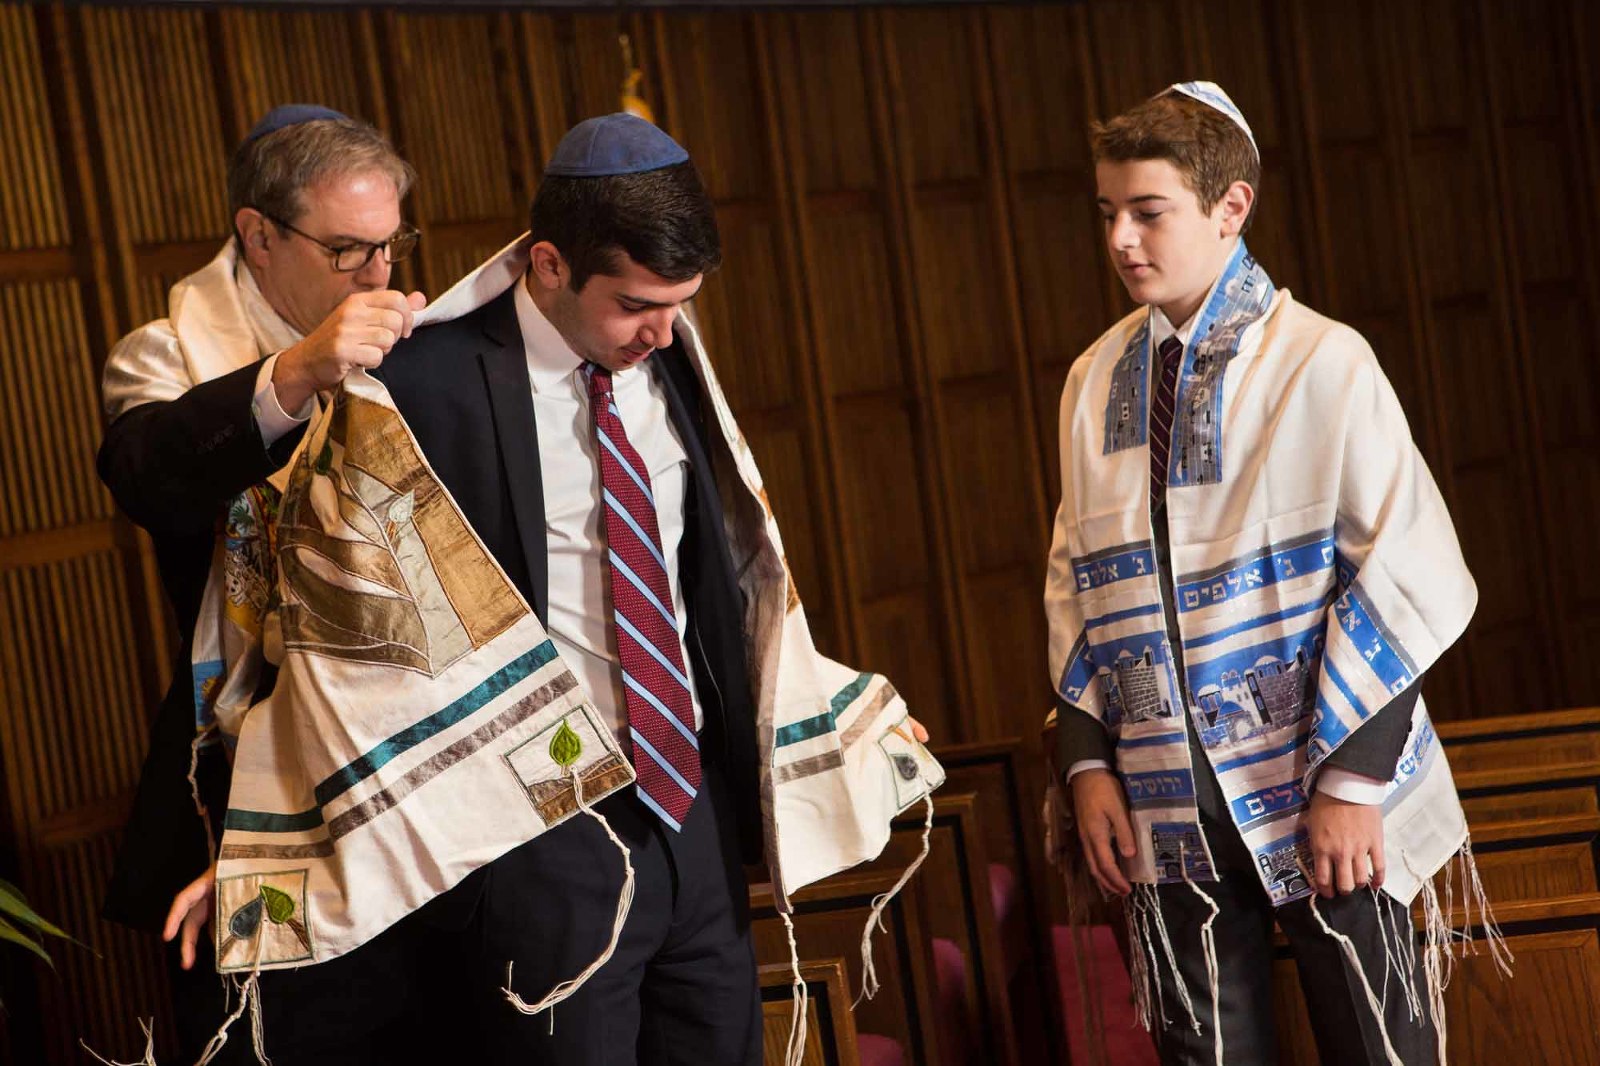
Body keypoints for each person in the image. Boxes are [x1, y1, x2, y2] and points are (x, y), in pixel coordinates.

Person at [159, 112, 937, 1066]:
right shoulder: (421, 383)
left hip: (691, 810)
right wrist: (264, 831)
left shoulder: (667, 357)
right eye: (637, 304)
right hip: (538, 832)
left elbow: (724, 583)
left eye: (681, 302)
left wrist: (833, 700)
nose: (663, 329)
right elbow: (336, 631)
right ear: (548, 264)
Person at [1043, 82, 1501, 1065]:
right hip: (1162, 790)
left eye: (1148, 211)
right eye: (1108, 212)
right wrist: (1086, 762)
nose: (1122, 238)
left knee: (1381, 1046)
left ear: (1229, 205)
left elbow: (1408, 567)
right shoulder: (1091, 382)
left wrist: (1351, 779)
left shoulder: (1322, 362)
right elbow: (1070, 577)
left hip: (1318, 774)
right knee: (1202, 1051)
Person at [97, 104, 442, 1064]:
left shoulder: (407, 334)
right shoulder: (166, 350)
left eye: (391, 245)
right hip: (252, 764)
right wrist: (290, 377)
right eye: (347, 251)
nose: (379, 276)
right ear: (257, 233)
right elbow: (150, 478)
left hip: (411, 760)